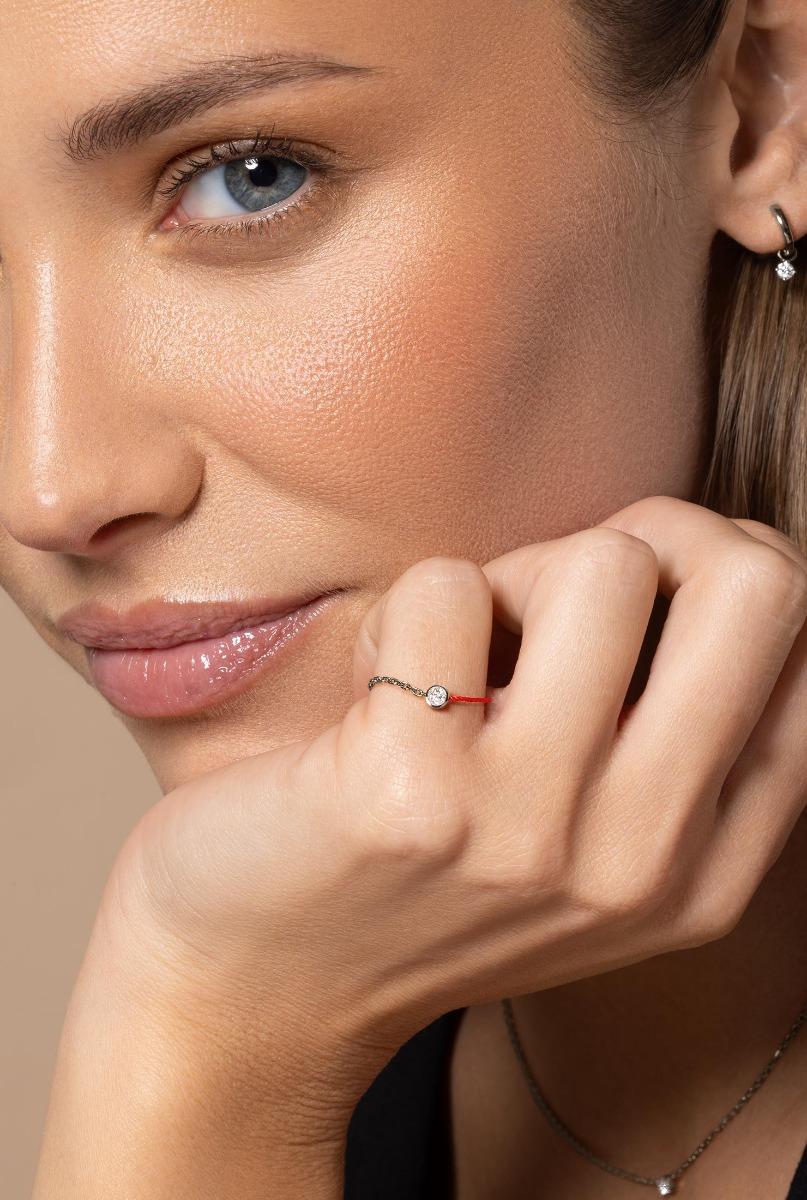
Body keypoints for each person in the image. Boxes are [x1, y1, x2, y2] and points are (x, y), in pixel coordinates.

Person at [1, 0, 805, 1196]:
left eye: (249, 179)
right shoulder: (263, 973)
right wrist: (214, 1040)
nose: (47, 488)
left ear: (760, 107)